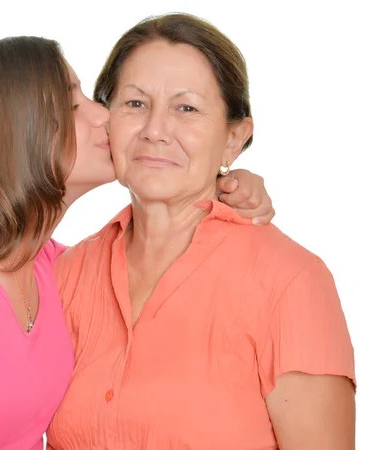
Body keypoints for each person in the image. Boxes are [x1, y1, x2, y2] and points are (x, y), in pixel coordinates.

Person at [0, 35, 274, 450]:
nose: (104, 114)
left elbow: (157, 256)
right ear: (8, 134)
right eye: (71, 104)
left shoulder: (49, 266)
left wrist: (223, 181)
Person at [47, 13, 355, 450]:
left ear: (234, 138)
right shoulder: (66, 273)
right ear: (106, 118)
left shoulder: (291, 282)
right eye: (135, 104)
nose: (155, 130)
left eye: (186, 108)